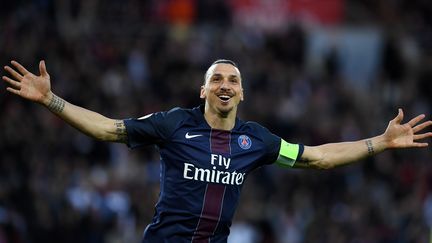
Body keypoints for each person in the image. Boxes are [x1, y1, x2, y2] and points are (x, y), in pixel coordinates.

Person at [2, 59, 432, 242]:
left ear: (241, 93)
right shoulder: (174, 124)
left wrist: (381, 141)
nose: (225, 84)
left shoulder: (256, 140)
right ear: (203, 89)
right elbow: (109, 130)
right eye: (217, 78)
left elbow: (316, 156)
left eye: (233, 79)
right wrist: (51, 101)